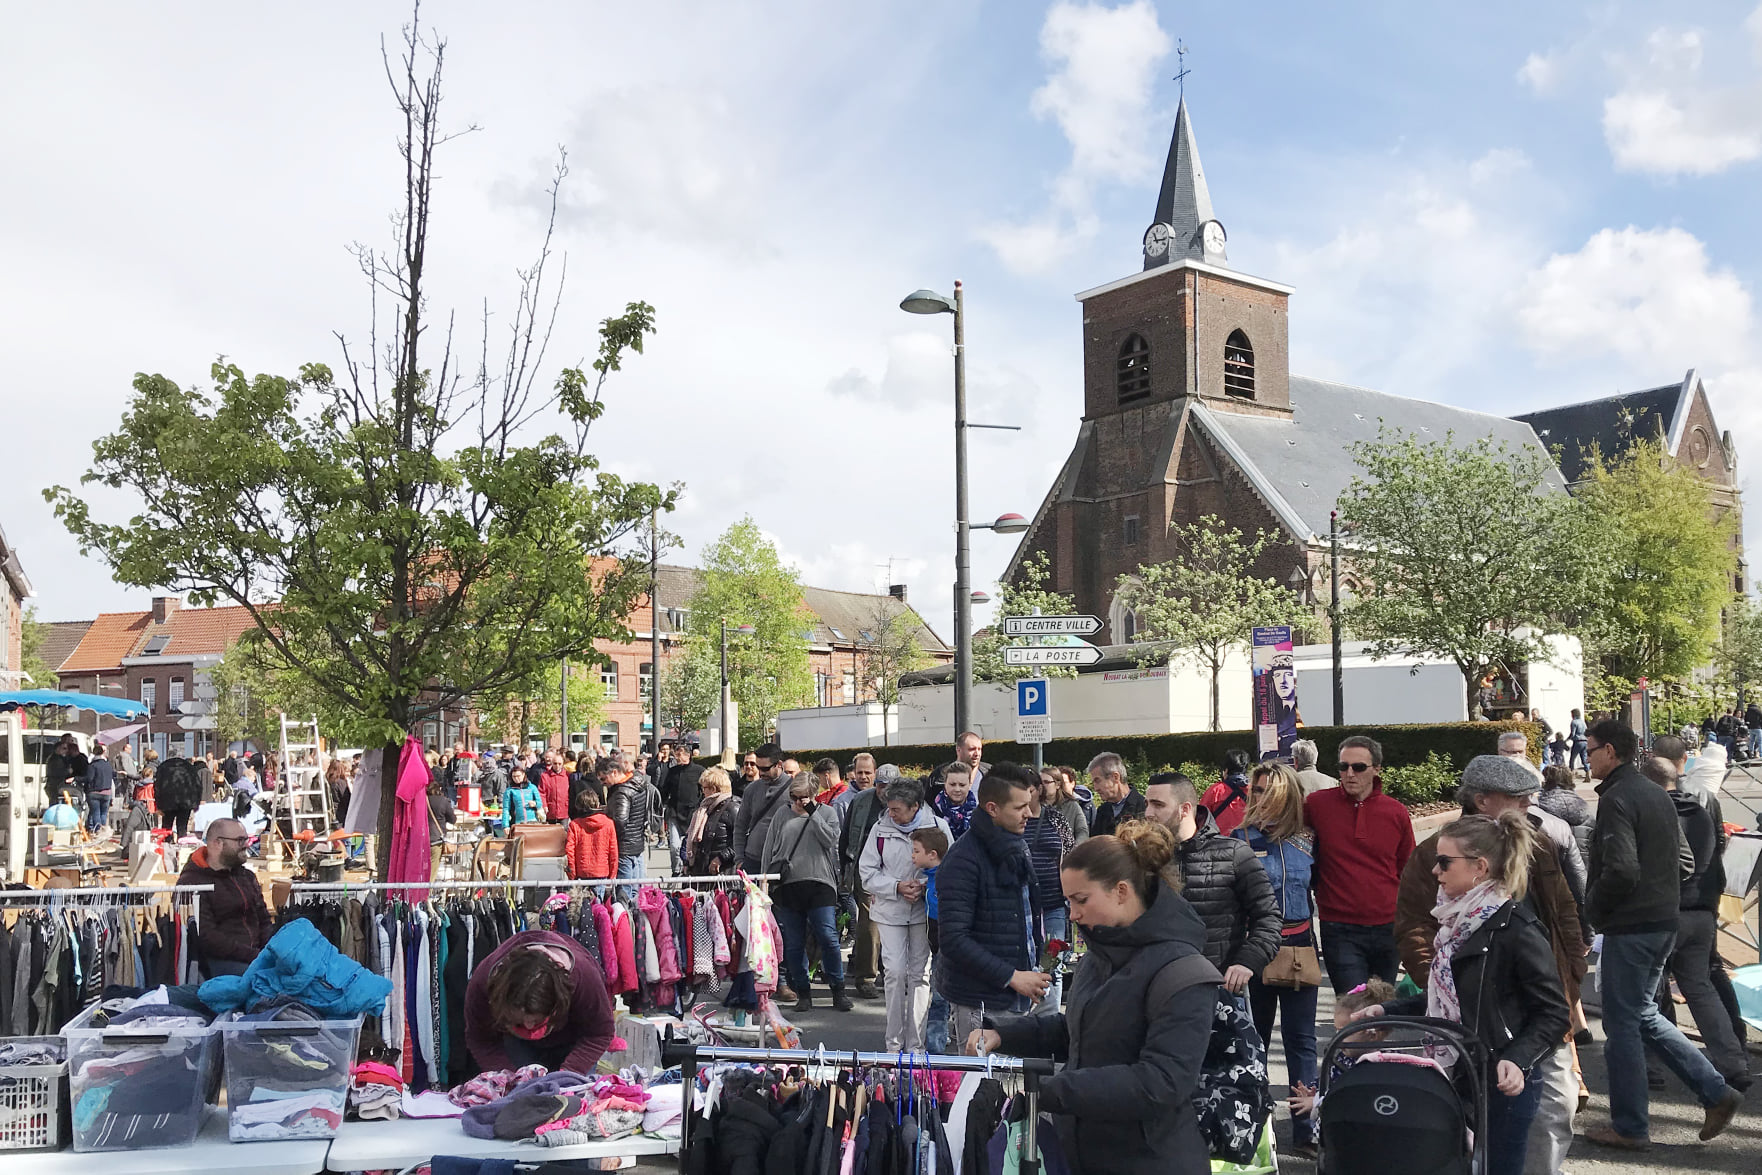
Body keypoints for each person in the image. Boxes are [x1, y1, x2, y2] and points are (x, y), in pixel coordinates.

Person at [971, 823, 1222, 1175]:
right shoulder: (1100, 955)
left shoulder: (1184, 972)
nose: (1072, 914)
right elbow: (1082, 1030)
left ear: (1121, 891)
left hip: (1153, 1160)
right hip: (1084, 1154)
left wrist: (1052, 1091)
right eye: (1068, 902)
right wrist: (1004, 1034)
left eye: (1081, 900)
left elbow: (1161, 1082)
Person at [1394, 755, 1586, 1175]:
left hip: (1527, 1019)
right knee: (1473, 1133)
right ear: (1483, 800)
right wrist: (1443, 987)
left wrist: (1572, 976)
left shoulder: (1535, 852)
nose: (1526, 807)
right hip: (1470, 1028)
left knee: (1553, 1107)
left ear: (1481, 869)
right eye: (1517, 799)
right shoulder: (1441, 854)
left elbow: (1563, 911)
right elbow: (1414, 930)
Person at [1357, 813, 1570, 1175]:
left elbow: (1553, 1014)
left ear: (1479, 868)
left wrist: (1518, 1059)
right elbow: (1447, 999)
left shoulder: (1517, 929)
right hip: (1459, 1070)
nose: (1435, 872)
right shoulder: (1455, 925)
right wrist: (1387, 1010)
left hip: (1502, 1079)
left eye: (1444, 862)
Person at [1580, 719, 1742, 1148]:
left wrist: (1592, 909)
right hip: (1660, 922)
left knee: (1623, 1026)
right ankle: (1716, 1091)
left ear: (1611, 752)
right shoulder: (1654, 793)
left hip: (1634, 925)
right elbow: (1685, 863)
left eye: (1591, 748)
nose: (1587, 755)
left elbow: (1622, 869)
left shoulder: (1618, 798)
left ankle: (1631, 1126)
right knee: (1641, 1016)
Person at [1642, 757, 1750, 1092]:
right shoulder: (1701, 810)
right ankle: (1734, 1063)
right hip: (1702, 909)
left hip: (1666, 910)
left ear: (1648, 783)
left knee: (1650, 993)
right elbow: (1717, 852)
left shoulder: (1654, 812)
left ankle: (1652, 1066)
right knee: (1700, 988)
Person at [1231, 761, 1320, 1148]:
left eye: (1271, 791)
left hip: (1300, 946)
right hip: (1256, 950)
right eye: (1256, 790)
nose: (1262, 798)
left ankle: (1306, 1127)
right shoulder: (1238, 839)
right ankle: (1257, 1127)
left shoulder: (1308, 840)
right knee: (1257, 1040)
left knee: (1302, 1041)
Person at [934, 765, 1049, 1049]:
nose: (1029, 813)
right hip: (980, 1000)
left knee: (1012, 1089)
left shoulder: (1016, 846)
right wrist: (1011, 977)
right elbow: (953, 939)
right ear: (992, 808)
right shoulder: (963, 859)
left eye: (1030, 804)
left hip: (1015, 994)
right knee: (980, 1089)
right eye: (1020, 807)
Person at [1143, 772, 1281, 997]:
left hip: (1218, 987)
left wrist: (1247, 962)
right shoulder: (1140, 858)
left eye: (1158, 805)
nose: (1148, 813)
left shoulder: (1234, 854)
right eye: (1147, 804)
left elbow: (1268, 917)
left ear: (1185, 809)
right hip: (1157, 987)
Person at [1304, 734, 1414, 993]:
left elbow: (1407, 867)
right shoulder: (1318, 804)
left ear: (1376, 769)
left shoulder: (1396, 811)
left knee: (1379, 1011)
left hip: (1388, 927)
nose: (1350, 774)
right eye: (1343, 767)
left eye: (1359, 767)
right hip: (1339, 927)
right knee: (1353, 1010)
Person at [859, 776, 950, 1050]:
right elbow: (866, 873)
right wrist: (896, 887)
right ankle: (894, 1045)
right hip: (889, 910)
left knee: (920, 975)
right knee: (895, 972)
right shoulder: (879, 829)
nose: (891, 813)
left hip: (924, 912)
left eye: (897, 808)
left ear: (915, 807)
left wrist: (924, 886)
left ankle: (916, 1046)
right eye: (889, 807)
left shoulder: (937, 826)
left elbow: (951, 867)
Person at [464, 930, 614, 1074]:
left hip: (575, 1040)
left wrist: (569, 1073)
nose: (529, 1026)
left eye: (536, 1019)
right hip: (516, 1042)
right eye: (519, 1020)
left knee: (572, 1093)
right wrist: (506, 1077)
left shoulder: (584, 977)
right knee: (516, 1093)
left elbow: (600, 1033)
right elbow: (480, 1039)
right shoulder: (482, 983)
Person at [762, 773, 851, 1012]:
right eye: (794, 797)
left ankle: (838, 988)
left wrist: (813, 814)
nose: (798, 802)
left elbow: (830, 840)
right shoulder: (782, 814)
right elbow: (769, 848)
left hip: (820, 882)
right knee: (793, 943)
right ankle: (803, 991)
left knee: (828, 937)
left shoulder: (827, 813)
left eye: (804, 797)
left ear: (814, 795)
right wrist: (764, 882)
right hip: (789, 884)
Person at [177, 818, 272, 978]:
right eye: (240, 840)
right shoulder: (193, 883)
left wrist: (270, 951)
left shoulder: (246, 876)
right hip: (219, 963)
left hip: (256, 957)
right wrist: (255, 956)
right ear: (217, 843)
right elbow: (206, 937)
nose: (246, 844)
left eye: (246, 839)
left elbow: (264, 919)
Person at [840, 754, 885, 999]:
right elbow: (845, 837)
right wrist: (844, 870)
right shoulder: (859, 800)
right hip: (865, 869)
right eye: (860, 772)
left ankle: (890, 971)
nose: (865, 777)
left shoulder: (906, 800)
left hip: (896, 868)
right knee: (870, 921)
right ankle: (866, 977)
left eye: (869, 772)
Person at [912, 828, 951, 1049]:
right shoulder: (931, 879)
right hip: (937, 947)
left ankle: (936, 1048)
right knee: (939, 997)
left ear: (932, 854)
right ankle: (939, 1039)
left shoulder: (946, 879)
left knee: (939, 998)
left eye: (916, 851)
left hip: (948, 948)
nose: (912, 856)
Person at [733, 744, 792, 874]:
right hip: (752, 860)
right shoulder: (751, 789)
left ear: (779, 764)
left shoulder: (794, 790)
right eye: (758, 767)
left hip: (782, 861)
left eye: (765, 768)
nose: (761, 772)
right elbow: (740, 825)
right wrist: (739, 859)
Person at [601, 752, 649, 884]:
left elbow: (620, 820)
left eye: (603, 778)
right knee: (637, 886)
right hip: (636, 841)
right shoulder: (637, 782)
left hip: (625, 844)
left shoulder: (621, 791)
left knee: (625, 887)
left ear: (614, 773)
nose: (603, 783)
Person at [685, 766, 740, 876]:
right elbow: (692, 838)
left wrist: (721, 857)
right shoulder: (704, 809)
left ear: (713, 789)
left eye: (704, 788)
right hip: (701, 870)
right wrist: (687, 862)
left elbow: (740, 841)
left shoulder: (733, 808)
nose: (702, 792)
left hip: (724, 872)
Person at [660, 743, 704, 874]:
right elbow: (664, 790)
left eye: (680, 755)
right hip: (674, 812)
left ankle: (690, 868)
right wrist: (663, 803)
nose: (677, 757)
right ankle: (676, 870)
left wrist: (701, 806)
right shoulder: (672, 772)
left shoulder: (699, 771)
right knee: (674, 845)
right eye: (676, 754)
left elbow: (703, 790)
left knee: (691, 846)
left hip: (692, 813)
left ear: (688, 755)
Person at [1086, 751, 1146, 837]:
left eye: (1097, 780)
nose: (1096, 788)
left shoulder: (1143, 807)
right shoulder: (1103, 811)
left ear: (1115, 777)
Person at [565, 786, 618, 881]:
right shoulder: (608, 823)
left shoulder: (574, 825)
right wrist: (612, 875)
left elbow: (570, 851)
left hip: (582, 872)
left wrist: (572, 874)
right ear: (597, 804)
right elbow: (613, 851)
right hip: (602, 871)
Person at [1200, 748, 1254, 837]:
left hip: (1221, 843)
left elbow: (1201, 819)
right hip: (1249, 843)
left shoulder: (1215, 791)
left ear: (1226, 770)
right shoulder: (1254, 790)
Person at [1042, 766, 1089, 844]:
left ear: (1057, 784)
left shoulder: (1072, 806)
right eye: (1040, 782)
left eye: (1046, 782)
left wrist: (1074, 850)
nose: (1042, 786)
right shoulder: (1034, 805)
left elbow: (1082, 832)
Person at [931, 763, 977, 839]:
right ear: (945, 784)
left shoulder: (979, 812)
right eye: (952, 784)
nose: (957, 789)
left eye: (962, 785)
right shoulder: (933, 813)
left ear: (969, 785)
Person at [427, 776, 456, 876]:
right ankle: (428, 891)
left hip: (422, 839)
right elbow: (452, 819)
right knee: (432, 871)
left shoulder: (423, 801)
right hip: (436, 840)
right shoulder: (444, 801)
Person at [83, 752, 115, 833]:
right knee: (103, 813)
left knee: (96, 813)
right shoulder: (108, 765)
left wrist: (76, 779)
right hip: (107, 792)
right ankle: (103, 830)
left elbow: (89, 778)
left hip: (94, 792)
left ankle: (97, 830)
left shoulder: (93, 765)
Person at [536, 752, 570, 825]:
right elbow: (542, 792)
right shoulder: (545, 776)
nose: (557, 766)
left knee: (564, 832)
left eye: (559, 764)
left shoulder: (567, 776)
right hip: (550, 811)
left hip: (564, 811)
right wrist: (544, 805)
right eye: (555, 763)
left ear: (563, 764)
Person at [1566, 709, 1588, 776]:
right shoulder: (1582, 722)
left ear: (1573, 714)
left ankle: (1571, 774)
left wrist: (1567, 740)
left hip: (1577, 741)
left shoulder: (1574, 722)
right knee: (1584, 758)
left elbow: (1573, 734)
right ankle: (1588, 772)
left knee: (1572, 758)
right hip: (1585, 741)